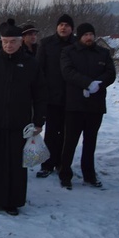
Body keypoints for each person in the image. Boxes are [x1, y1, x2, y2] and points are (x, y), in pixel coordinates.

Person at [0, 20, 46, 216]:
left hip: (19, 123)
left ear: (20, 41)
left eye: (12, 42)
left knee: (14, 164)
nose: (8, 46)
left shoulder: (31, 64)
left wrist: (39, 120)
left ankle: (11, 201)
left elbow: (40, 94)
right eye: (5, 42)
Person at [58, 22, 116, 189]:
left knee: (91, 141)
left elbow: (111, 73)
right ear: (79, 36)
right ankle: (65, 173)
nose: (89, 38)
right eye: (85, 35)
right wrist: (87, 83)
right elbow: (67, 72)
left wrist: (98, 84)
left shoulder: (103, 53)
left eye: (91, 34)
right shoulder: (69, 52)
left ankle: (89, 174)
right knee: (70, 141)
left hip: (95, 104)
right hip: (75, 104)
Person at [35, 13, 75, 178]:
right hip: (51, 96)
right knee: (51, 131)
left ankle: (62, 163)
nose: (63, 27)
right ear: (56, 27)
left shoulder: (76, 44)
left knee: (67, 133)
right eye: (61, 24)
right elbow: (39, 69)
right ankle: (48, 163)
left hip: (72, 97)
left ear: (71, 28)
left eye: (67, 25)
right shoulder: (46, 44)